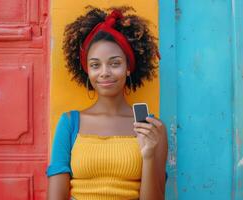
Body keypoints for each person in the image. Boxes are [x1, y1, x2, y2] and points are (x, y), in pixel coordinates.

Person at [46, 6, 168, 200]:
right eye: (95, 65)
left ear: (129, 67)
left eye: (115, 63)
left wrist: (149, 155)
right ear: (87, 70)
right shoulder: (70, 123)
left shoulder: (152, 129)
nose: (104, 72)